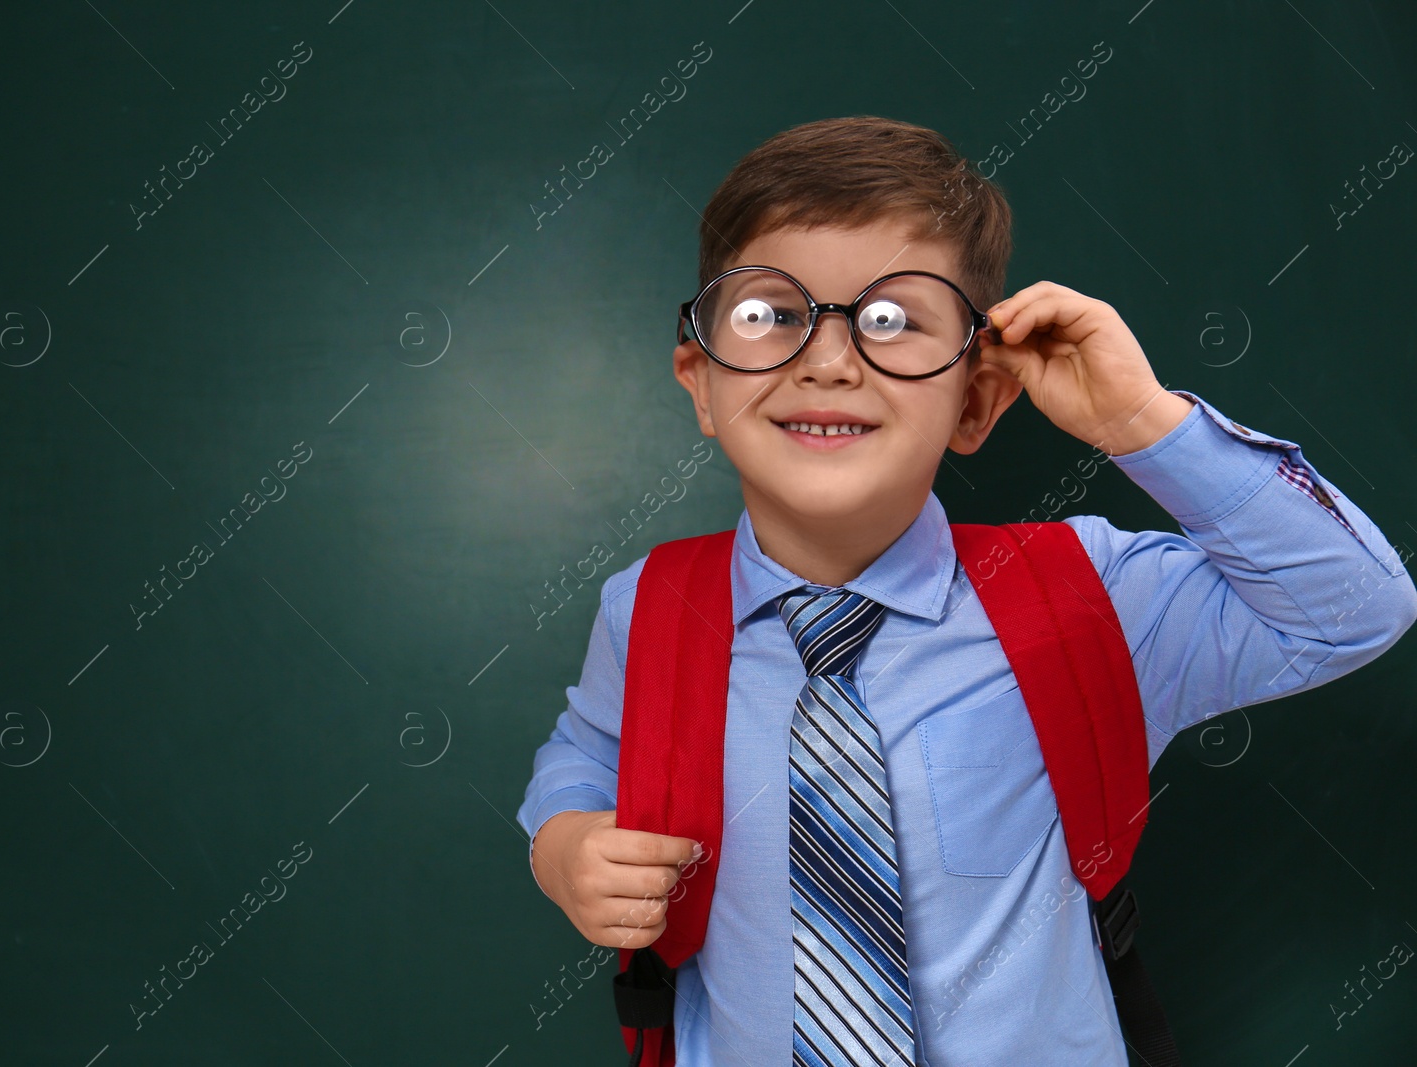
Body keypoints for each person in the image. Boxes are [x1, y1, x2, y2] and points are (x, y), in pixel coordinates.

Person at [514, 114, 1417, 1065]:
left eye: (891, 320)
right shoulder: (648, 603)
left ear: (977, 399)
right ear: (701, 383)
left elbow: (1355, 606)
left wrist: (1144, 422)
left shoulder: (1089, 596)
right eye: (770, 314)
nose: (827, 359)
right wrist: (565, 842)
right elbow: (587, 748)